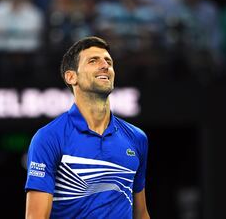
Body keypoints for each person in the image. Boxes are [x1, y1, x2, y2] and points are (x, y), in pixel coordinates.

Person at [25, 36, 150, 218]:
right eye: (93, 61)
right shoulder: (49, 137)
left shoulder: (136, 138)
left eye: (108, 61)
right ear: (71, 77)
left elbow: (141, 213)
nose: (105, 65)